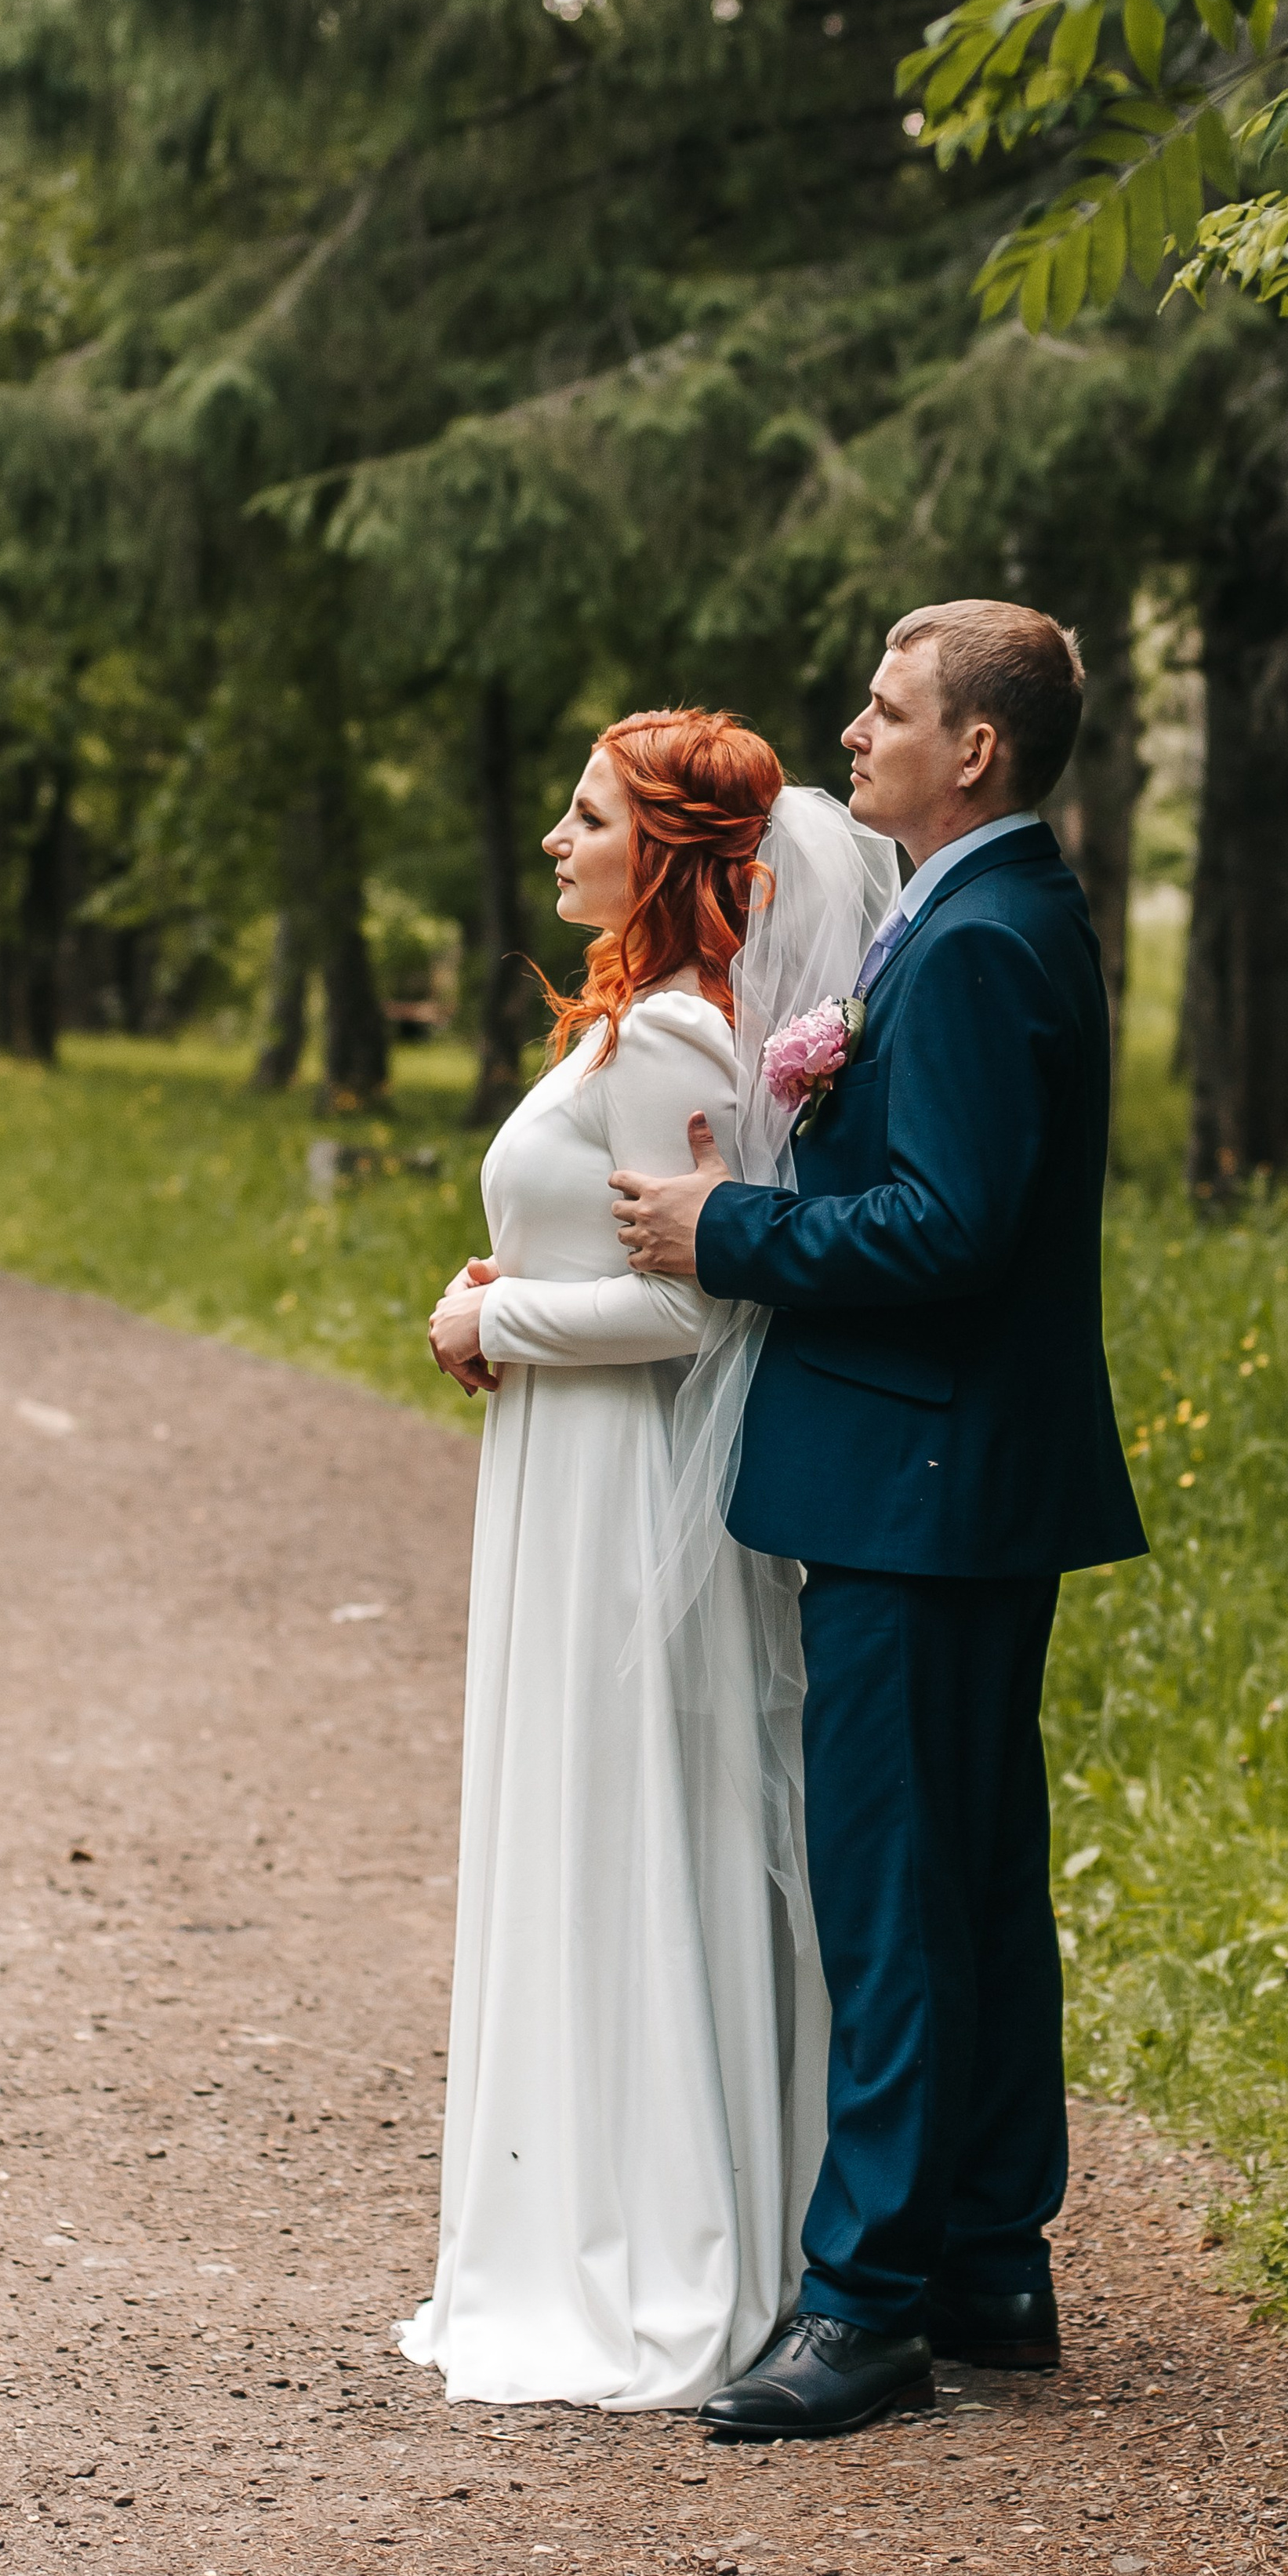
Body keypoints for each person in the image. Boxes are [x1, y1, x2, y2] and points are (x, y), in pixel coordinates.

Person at [611, 601, 1148, 2442]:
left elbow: (951, 1227)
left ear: (973, 748)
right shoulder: (972, 912)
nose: (849, 732)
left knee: (897, 1894)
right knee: (972, 1866)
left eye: (885, 706)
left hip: (923, 1484)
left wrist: (725, 1234)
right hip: (954, 1476)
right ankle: (992, 2250)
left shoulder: (987, 939)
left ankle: (868, 2300)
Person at [400, 707, 894, 2411]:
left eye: (589, 813)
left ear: (666, 852)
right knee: (577, 1816)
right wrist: (510, 1300)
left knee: (631, 1823)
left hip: (622, 1493)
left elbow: (690, 1299)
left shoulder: (681, 1036)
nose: (555, 834)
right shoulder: (630, 1024)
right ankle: (565, 2210)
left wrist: (492, 1313)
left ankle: (667, 2237)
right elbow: (598, 1245)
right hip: (564, 1467)